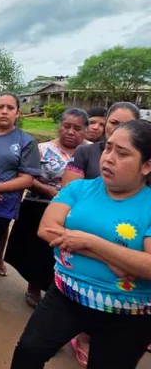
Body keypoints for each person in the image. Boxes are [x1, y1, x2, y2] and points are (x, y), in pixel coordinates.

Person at [11, 119, 151, 369]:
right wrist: (114, 258)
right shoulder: (79, 189)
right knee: (28, 353)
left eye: (122, 153)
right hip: (66, 296)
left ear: (147, 166)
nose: (108, 158)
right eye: (107, 148)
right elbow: (47, 229)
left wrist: (89, 241)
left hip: (127, 313)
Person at [60, 101, 141, 367]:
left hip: (129, 294)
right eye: (114, 123)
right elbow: (60, 218)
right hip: (75, 276)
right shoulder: (85, 155)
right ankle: (81, 337)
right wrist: (107, 256)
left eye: (126, 124)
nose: (109, 157)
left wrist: (90, 242)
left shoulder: (144, 183)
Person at [5, 109, 88, 308]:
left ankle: (61, 290)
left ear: (85, 130)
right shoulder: (41, 148)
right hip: (39, 205)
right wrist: (48, 191)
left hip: (78, 212)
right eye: (66, 126)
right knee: (38, 250)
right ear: (59, 126)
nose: (70, 131)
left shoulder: (91, 152)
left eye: (77, 128)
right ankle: (34, 286)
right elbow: (26, 177)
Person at [0, 92, 41, 304]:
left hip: (1, 203)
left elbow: (27, 179)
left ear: (17, 113)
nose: (4, 111)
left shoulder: (26, 141)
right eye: (0, 107)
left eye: (10, 108)